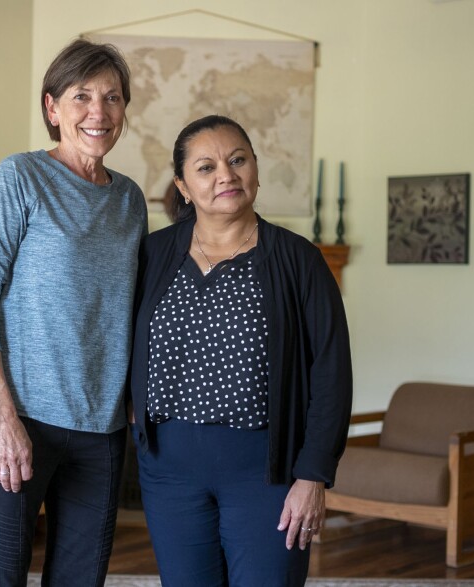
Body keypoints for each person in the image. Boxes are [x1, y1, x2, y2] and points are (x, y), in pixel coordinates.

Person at [0, 38, 147, 587]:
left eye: (112, 97)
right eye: (82, 96)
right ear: (52, 107)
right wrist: (2, 418)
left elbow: (128, 307)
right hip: (17, 419)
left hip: (100, 429)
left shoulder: (130, 200)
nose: (98, 112)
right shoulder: (19, 178)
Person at [129, 115, 352, 586]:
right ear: (183, 186)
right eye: (206, 167)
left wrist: (313, 475)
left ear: (255, 169)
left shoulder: (299, 260)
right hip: (168, 471)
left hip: (267, 472)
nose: (226, 176)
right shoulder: (152, 254)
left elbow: (331, 373)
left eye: (237, 160)